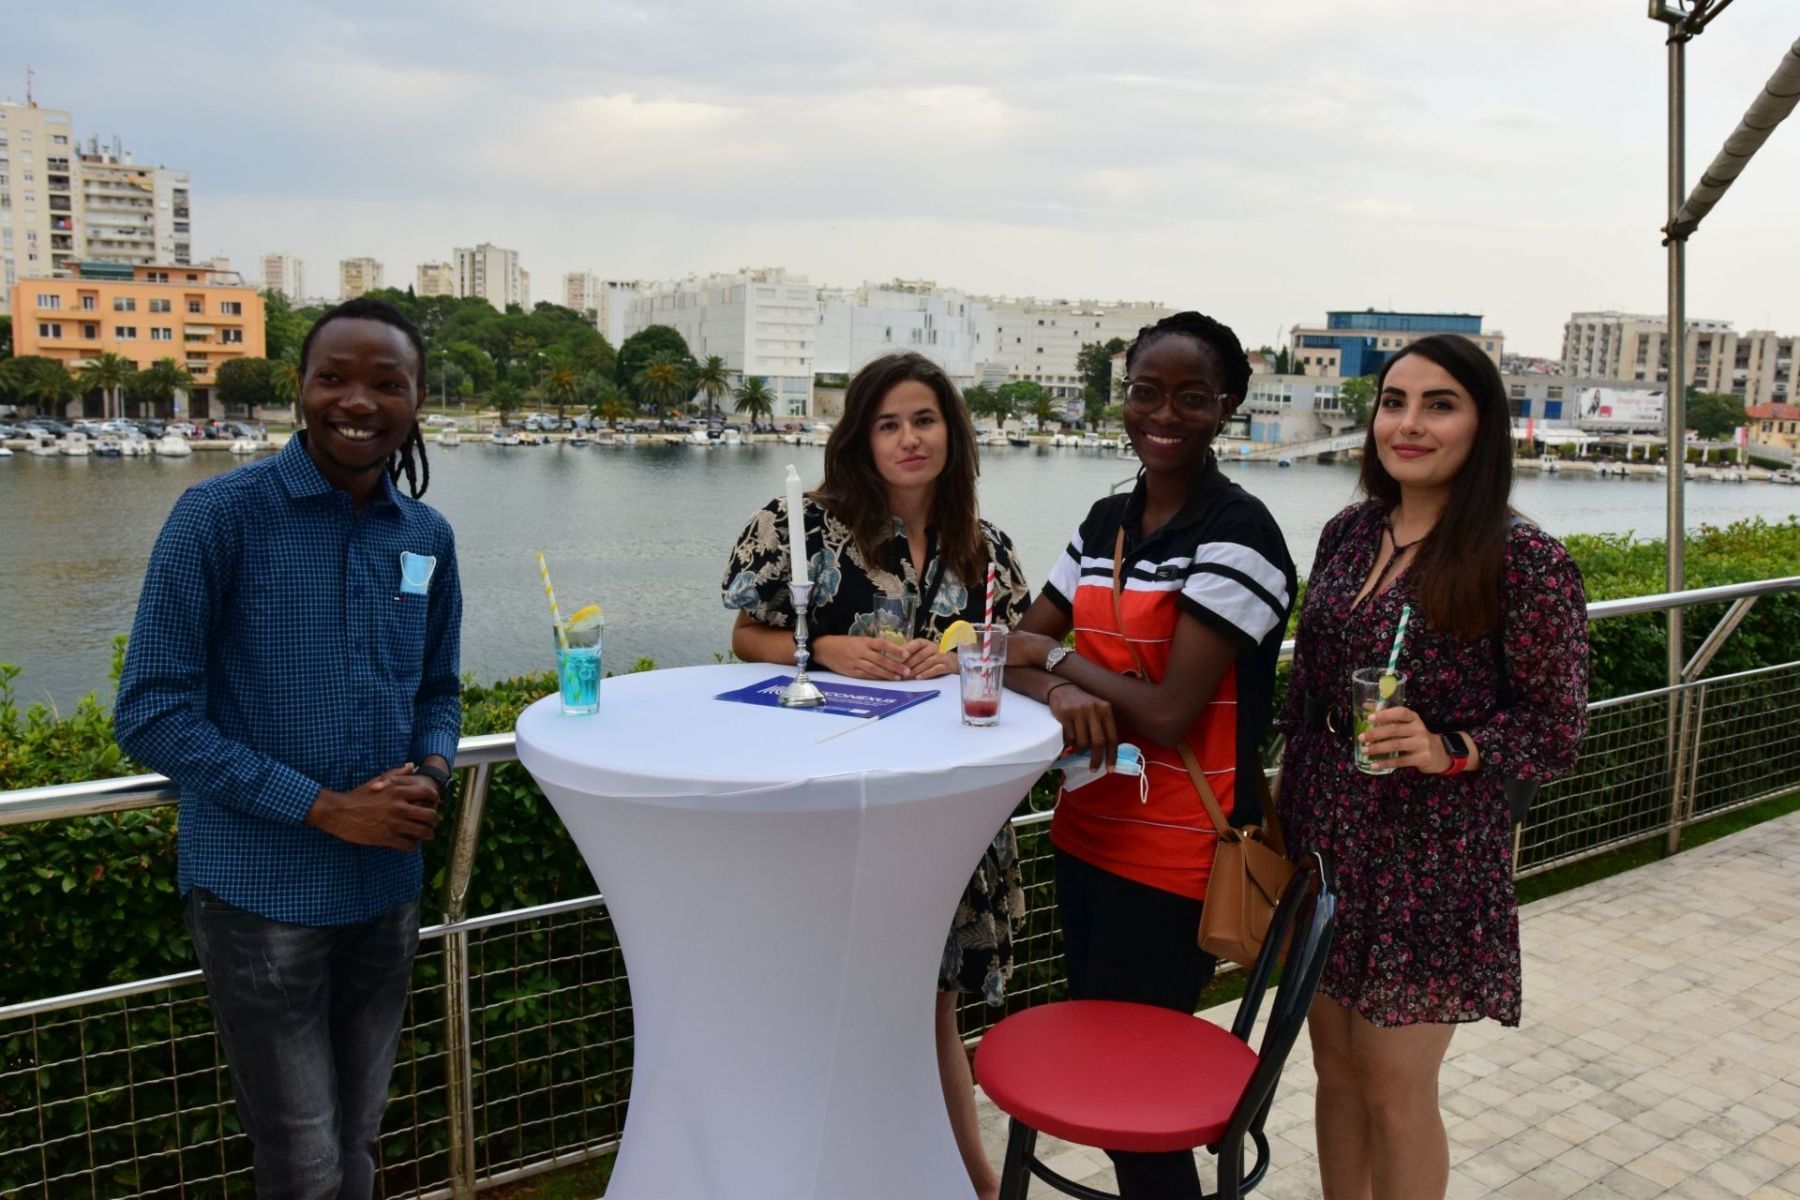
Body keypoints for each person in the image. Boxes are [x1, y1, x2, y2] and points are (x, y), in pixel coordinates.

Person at [116, 297, 462, 1200]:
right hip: (258, 895)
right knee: (303, 1162)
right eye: (333, 377)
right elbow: (152, 712)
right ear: (299, 388)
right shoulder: (218, 516)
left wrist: (431, 768)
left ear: (417, 400)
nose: (359, 401)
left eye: (387, 383)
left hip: (385, 890)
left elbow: (437, 689)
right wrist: (324, 807)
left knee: (358, 1143)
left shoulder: (426, 537)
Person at [1275, 333, 1589, 1200]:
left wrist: (1449, 747)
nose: (1408, 424)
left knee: (1395, 1088)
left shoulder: (1524, 560)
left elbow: (1557, 729)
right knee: (1334, 1072)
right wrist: (1281, 791)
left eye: (1439, 405)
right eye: (1394, 402)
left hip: (1430, 862)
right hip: (1326, 839)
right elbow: (1307, 688)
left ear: (1483, 426)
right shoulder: (1349, 534)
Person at [721, 351, 1031, 1200]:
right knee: (842, 1011)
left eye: (924, 420)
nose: (907, 439)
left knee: (931, 1006)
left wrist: (960, 656)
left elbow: (1014, 652)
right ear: (860, 437)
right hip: (835, 811)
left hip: (951, 815)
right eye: (887, 424)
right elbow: (746, 637)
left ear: (951, 432)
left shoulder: (986, 549)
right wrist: (821, 647)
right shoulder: (802, 528)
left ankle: (964, 1182)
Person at [1001, 312, 1296, 1198]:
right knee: (1108, 1081)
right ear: (1123, 396)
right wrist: (1059, 689)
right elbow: (1009, 648)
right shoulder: (1106, 521)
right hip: (1086, 832)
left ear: (1227, 407)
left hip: (1178, 856)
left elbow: (1168, 713)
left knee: (1134, 1111)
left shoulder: (1241, 534)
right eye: (1146, 391)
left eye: (1192, 398)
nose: (1163, 414)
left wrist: (1058, 663)